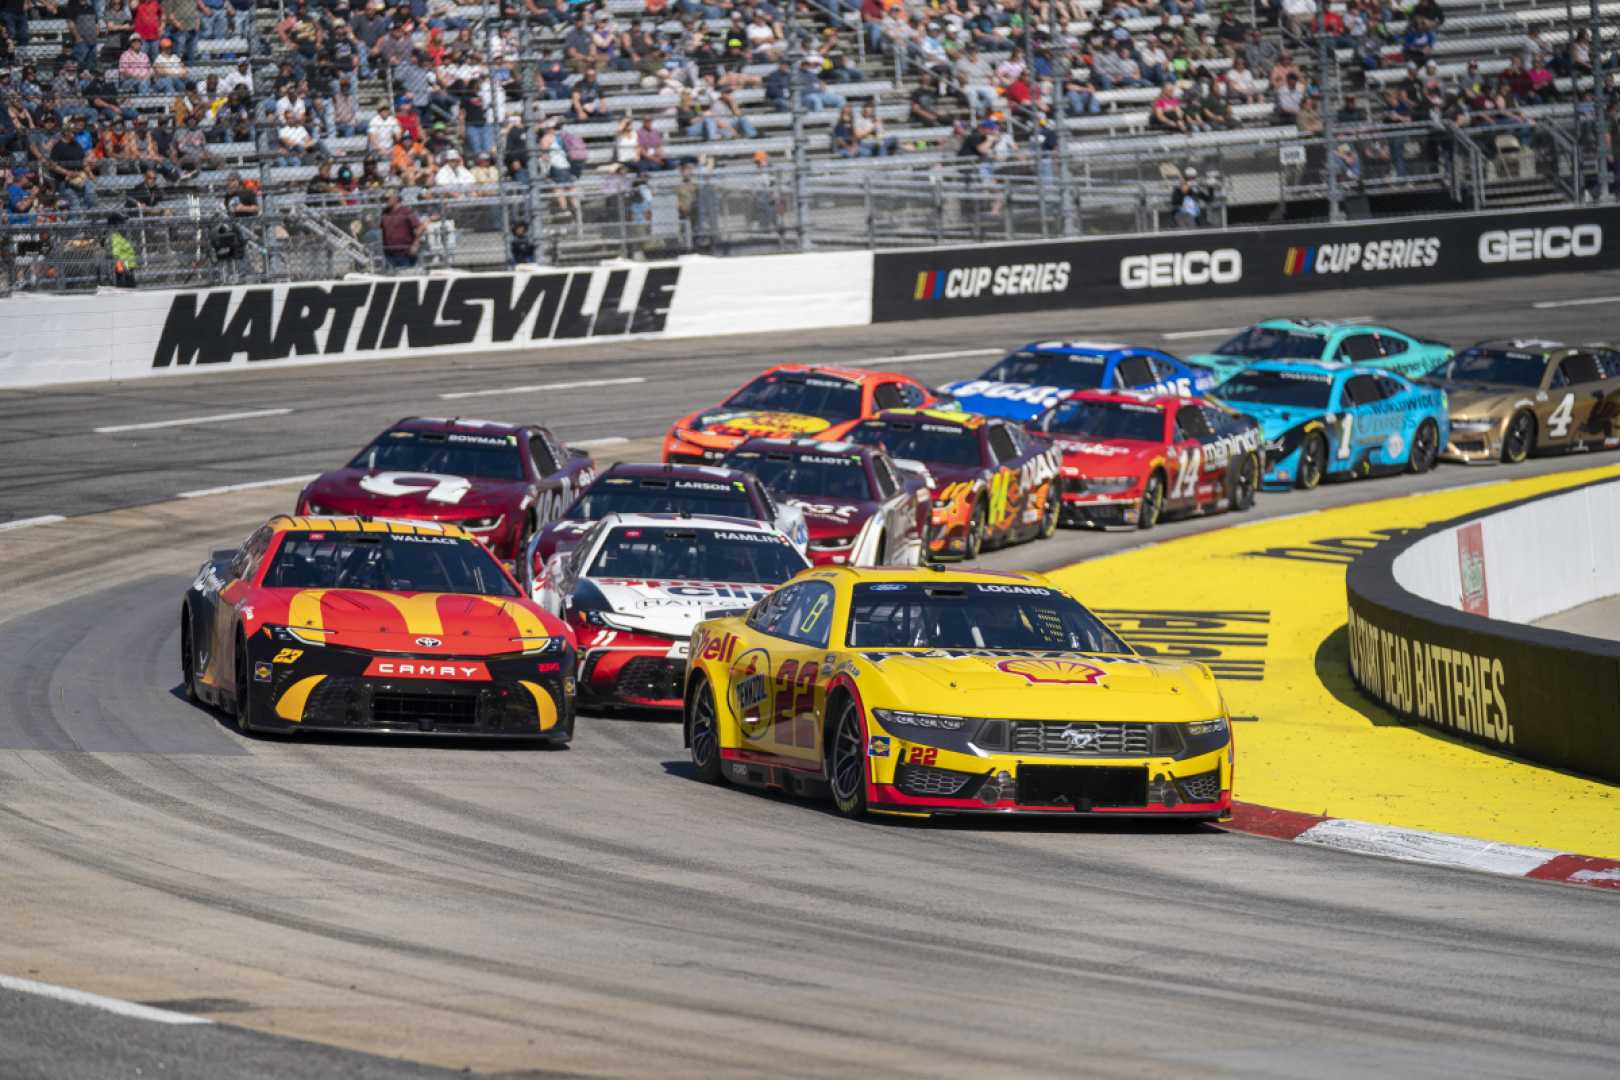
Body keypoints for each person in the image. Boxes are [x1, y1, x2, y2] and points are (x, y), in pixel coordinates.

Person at [380, 189, 424, 268]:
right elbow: (380, 229)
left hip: (405, 253)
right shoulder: (384, 213)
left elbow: (420, 227)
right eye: (384, 199)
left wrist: (415, 244)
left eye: (388, 199)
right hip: (389, 254)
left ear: (396, 198)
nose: (385, 201)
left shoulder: (406, 211)